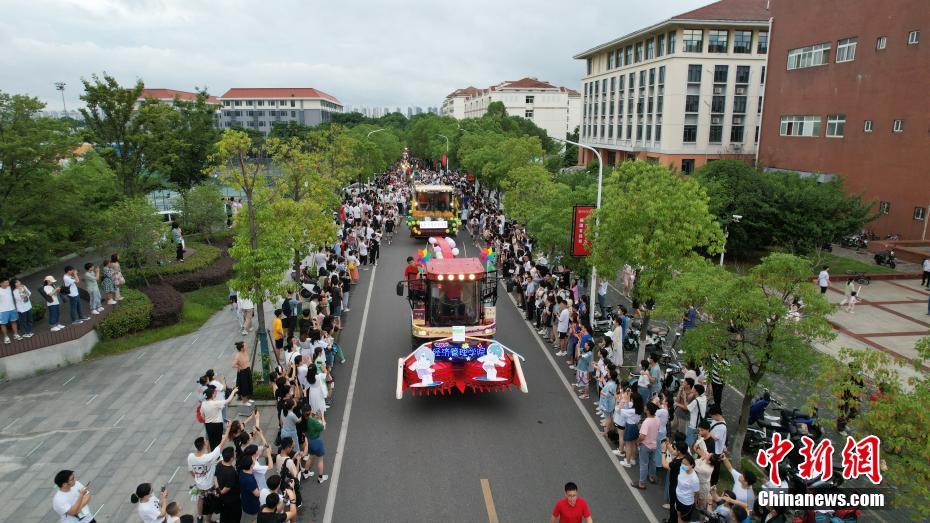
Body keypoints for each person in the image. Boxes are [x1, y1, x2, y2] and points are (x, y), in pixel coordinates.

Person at [188, 427, 232, 523]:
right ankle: (208, 521)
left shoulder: (191, 457)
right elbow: (222, 443)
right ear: (204, 445)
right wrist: (228, 428)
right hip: (209, 486)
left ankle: (199, 517)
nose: (207, 442)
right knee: (210, 504)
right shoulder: (208, 458)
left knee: (201, 499)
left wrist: (197, 477)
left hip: (199, 485)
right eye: (206, 441)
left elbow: (191, 471)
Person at [632, 402, 660, 490]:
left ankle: (641, 483)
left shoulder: (646, 422)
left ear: (648, 410)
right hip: (654, 445)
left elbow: (642, 436)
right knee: (652, 462)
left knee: (644, 464)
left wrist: (638, 441)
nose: (644, 407)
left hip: (645, 445)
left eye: (646, 407)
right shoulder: (657, 419)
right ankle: (651, 477)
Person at [201, 385, 238, 450]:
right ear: (211, 395)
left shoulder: (203, 404)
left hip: (208, 425)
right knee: (218, 442)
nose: (215, 394)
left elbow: (202, 416)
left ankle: (213, 453)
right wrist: (233, 391)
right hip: (217, 425)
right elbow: (228, 400)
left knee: (212, 441)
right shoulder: (215, 403)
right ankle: (217, 455)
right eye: (214, 393)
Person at [215, 447, 241, 523]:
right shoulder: (231, 472)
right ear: (231, 458)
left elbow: (215, 476)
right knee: (235, 516)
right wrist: (221, 492)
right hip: (232, 499)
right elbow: (227, 488)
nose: (235, 454)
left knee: (224, 514)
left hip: (223, 498)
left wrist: (218, 489)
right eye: (234, 454)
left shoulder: (219, 464)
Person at [676, 453, 700, 523]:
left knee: (685, 520)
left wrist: (695, 502)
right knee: (679, 515)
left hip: (686, 503)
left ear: (692, 465)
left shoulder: (694, 479)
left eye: (686, 464)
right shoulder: (682, 468)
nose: (683, 465)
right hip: (678, 498)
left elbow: (697, 493)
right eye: (682, 463)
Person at [0, 277, 22, 343]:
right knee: (3, 324)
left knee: (14, 321)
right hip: (2, 310)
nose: (8, 283)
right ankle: (6, 337)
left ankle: (15, 334)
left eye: (8, 282)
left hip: (12, 308)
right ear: (1, 283)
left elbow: (17, 286)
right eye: (6, 283)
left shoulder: (10, 288)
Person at [232, 341, 254, 406]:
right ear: (241, 348)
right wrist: (239, 367)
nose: (246, 346)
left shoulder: (245, 352)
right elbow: (233, 365)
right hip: (242, 372)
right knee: (244, 387)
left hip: (247, 370)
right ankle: (244, 401)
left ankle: (247, 399)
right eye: (245, 346)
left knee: (249, 385)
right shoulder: (238, 355)